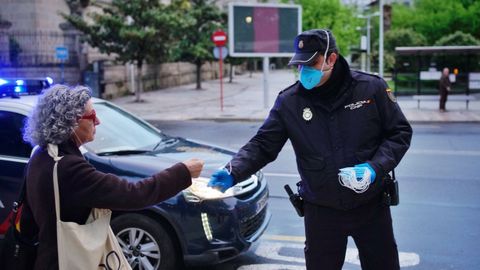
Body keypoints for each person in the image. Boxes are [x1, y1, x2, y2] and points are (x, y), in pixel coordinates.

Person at [208, 29, 412, 270]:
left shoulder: (370, 89)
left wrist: (374, 168)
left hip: (371, 205)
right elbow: (263, 144)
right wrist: (233, 171)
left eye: (311, 63)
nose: (304, 70)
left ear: (331, 58)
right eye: (299, 64)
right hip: (322, 211)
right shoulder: (290, 101)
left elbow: (399, 133)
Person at [21, 85, 204, 269]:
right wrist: (183, 172)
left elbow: (29, 221)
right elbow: (134, 194)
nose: (98, 121)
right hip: (68, 262)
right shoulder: (69, 168)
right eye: (92, 116)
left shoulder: (41, 154)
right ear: (71, 123)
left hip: (45, 258)